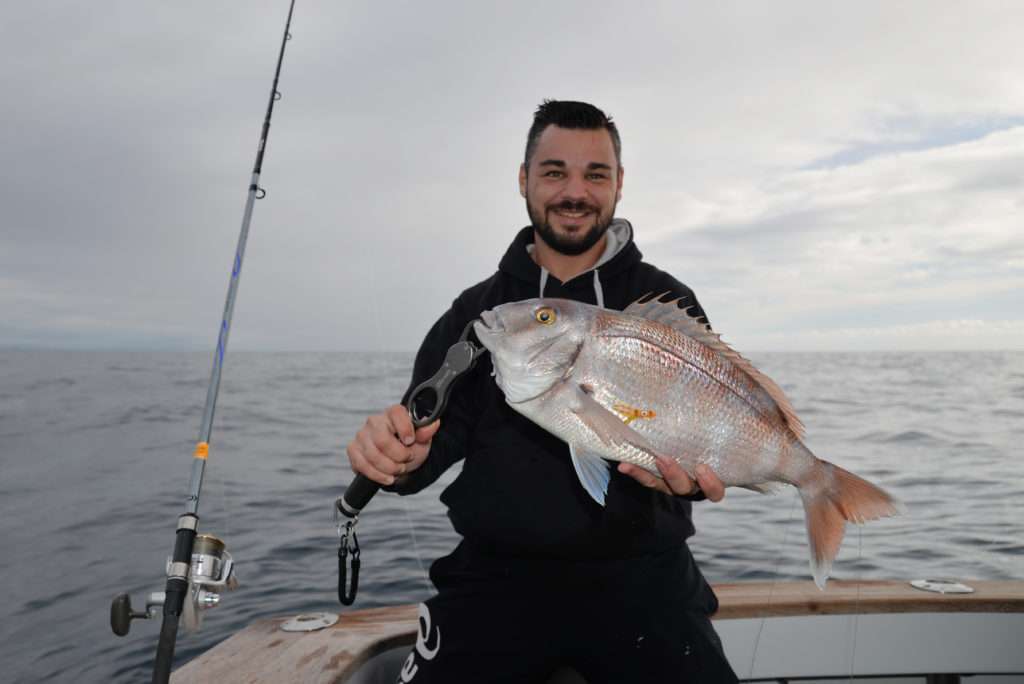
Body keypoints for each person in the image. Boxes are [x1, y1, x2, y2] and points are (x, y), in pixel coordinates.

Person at [346, 100, 739, 683]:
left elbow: (702, 434)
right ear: (523, 178)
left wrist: (700, 481)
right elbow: (428, 443)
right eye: (555, 172)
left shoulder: (665, 302)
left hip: (647, 577)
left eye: (595, 174)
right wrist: (396, 457)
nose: (574, 192)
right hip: (496, 580)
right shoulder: (480, 313)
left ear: (619, 184)